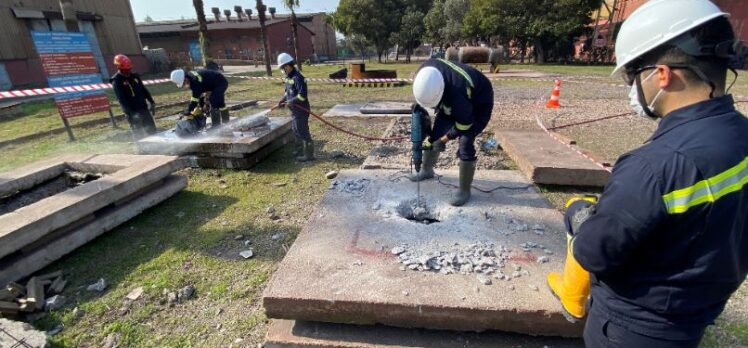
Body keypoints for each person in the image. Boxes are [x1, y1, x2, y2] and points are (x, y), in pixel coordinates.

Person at [546, 1, 748, 347]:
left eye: (632, 74)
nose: (631, 87)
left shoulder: (654, 166)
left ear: (662, 74)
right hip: (692, 316)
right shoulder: (740, 134)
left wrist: (583, 218)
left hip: (631, 329)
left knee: (578, 211)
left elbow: (594, 253)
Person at [409, 58, 494, 206]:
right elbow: (428, 98)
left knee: (465, 144)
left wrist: (444, 140)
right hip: (452, 95)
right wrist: (430, 133)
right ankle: (427, 170)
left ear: (440, 93)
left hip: (479, 101)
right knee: (434, 134)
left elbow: (464, 124)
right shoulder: (425, 72)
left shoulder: (458, 96)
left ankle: (464, 191)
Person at [277, 53, 314, 162]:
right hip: (294, 111)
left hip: (301, 111)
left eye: (282, 68)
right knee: (295, 130)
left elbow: (302, 96)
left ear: (287, 66)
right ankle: (299, 150)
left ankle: (309, 155)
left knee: (302, 131)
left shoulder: (298, 77)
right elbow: (288, 92)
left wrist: (291, 102)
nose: (282, 70)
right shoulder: (288, 77)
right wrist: (282, 100)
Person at [111, 54, 157, 139]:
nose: (128, 71)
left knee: (152, 131)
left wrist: (151, 102)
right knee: (139, 134)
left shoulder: (134, 76)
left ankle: (158, 148)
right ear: (119, 67)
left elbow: (143, 90)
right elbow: (121, 100)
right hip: (132, 112)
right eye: (126, 70)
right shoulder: (117, 81)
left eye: (129, 69)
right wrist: (132, 114)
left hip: (143, 108)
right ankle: (141, 150)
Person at [170, 67, 229, 133]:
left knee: (214, 101)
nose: (185, 85)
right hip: (213, 84)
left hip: (220, 83)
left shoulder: (195, 81)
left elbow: (194, 99)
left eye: (184, 83)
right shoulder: (191, 77)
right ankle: (226, 122)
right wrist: (202, 106)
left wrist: (188, 110)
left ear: (185, 78)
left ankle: (216, 126)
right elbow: (200, 95)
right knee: (220, 103)